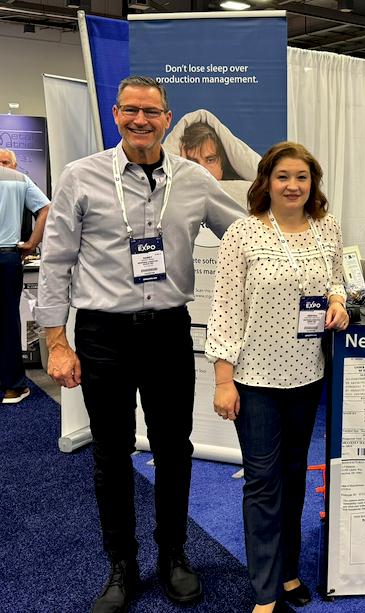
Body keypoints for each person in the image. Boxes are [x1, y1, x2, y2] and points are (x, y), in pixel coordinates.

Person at [35, 76, 246, 613]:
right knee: (111, 452)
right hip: (103, 334)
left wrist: (317, 252)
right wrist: (56, 343)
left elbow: (247, 237)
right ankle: (121, 564)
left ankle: (173, 555)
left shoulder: (196, 180)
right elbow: (56, 262)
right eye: (131, 110)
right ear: (116, 114)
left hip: (169, 331)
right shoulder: (80, 177)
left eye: (151, 112)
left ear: (166, 119)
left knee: (175, 448)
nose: (141, 120)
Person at [205, 142, 349, 613]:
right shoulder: (242, 235)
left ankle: (288, 572)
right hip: (255, 378)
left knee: (292, 478)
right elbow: (224, 311)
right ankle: (264, 590)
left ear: (313, 184)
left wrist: (337, 301)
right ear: (266, 181)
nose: (293, 186)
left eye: (302, 178)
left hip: (308, 377)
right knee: (263, 483)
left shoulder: (326, 228)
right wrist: (223, 381)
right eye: (283, 177)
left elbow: (337, 280)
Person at [0, 148, 49, 404]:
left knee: (8, 321)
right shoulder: (19, 180)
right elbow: (46, 209)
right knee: (8, 321)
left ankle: (11, 385)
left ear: (15, 164)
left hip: (9, 254)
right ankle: (13, 387)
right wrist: (32, 243)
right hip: (7, 256)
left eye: (6, 161)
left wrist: (30, 243)